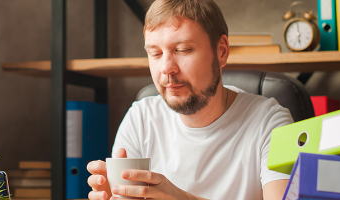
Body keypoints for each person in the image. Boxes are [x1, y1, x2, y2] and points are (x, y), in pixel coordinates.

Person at [87, 0, 292, 199]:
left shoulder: (272, 123)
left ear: (221, 51)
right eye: (155, 53)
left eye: (183, 50)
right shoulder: (140, 118)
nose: (167, 68)